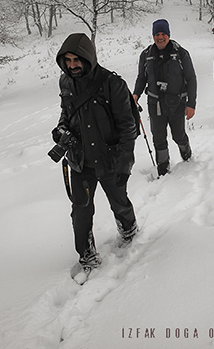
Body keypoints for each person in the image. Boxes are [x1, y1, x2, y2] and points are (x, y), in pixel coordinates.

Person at [53, 33, 139, 277]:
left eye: (76, 60)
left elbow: (127, 126)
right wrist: (61, 130)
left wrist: (125, 163)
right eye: (67, 60)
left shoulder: (112, 84)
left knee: (119, 201)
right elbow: (66, 113)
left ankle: (129, 228)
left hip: (109, 159)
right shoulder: (65, 83)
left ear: (88, 57)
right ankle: (86, 253)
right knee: (80, 209)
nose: (72, 65)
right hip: (80, 160)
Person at [133, 19, 197, 176]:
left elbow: (191, 79)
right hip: (155, 103)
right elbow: (142, 77)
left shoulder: (181, 53)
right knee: (158, 137)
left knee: (178, 135)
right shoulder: (146, 55)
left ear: (168, 35)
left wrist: (191, 104)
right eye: (157, 34)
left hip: (177, 103)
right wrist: (135, 94)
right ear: (153, 36)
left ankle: (187, 156)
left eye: (163, 34)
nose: (160, 37)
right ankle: (163, 168)